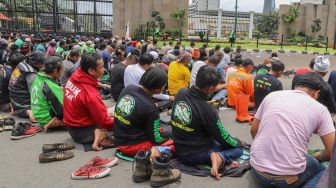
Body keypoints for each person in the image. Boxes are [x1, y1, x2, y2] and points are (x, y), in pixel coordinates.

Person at [250, 72, 335, 187]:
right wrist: (318, 156)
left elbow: (253, 130)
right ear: (317, 93)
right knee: (324, 170)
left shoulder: (272, 96)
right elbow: (331, 151)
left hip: (257, 170)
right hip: (289, 179)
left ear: (295, 86)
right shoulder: (320, 109)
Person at [172, 65, 245, 180]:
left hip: (179, 146)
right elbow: (222, 137)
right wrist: (237, 142)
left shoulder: (181, 92)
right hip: (192, 154)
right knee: (238, 149)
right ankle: (219, 157)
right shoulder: (207, 110)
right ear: (210, 89)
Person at [114, 67, 173, 156]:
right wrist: (170, 135)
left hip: (119, 137)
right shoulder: (151, 108)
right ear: (158, 89)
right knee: (177, 141)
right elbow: (156, 139)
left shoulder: (129, 88)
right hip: (130, 146)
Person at [63, 53, 114, 151]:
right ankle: (98, 135)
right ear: (91, 70)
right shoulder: (91, 95)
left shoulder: (76, 76)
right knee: (127, 129)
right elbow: (105, 122)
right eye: (102, 67)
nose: (104, 70)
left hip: (72, 127)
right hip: (84, 132)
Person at [9, 51, 46, 122]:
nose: (44, 65)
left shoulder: (22, 64)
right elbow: (35, 91)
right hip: (21, 101)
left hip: (13, 97)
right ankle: (28, 111)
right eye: (42, 63)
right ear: (36, 64)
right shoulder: (30, 72)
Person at [30, 56, 64, 132]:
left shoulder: (38, 77)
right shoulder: (50, 86)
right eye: (62, 69)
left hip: (39, 116)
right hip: (47, 118)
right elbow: (62, 112)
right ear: (55, 71)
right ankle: (53, 123)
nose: (63, 71)